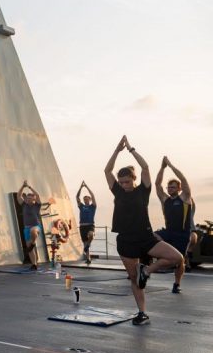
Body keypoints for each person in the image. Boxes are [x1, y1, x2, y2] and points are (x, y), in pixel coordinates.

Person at [104, 136, 182, 325]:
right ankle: (142, 313)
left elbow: (146, 167)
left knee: (177, 258)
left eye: (127, 182)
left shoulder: (143, 190)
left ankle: (146, 270)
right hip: (126, 240)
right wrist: (116, 150)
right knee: (134, 279)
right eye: (121, 182)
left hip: (145, 237)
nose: (124, 185)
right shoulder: (118, 192)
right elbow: (107, 170)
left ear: (134, 179)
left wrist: (130, 149)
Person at [154, 156, 195, 293]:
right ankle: (152, 260)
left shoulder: (185, 197)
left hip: (182, 234)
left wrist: (170, 165)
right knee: (151, 236)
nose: (170, 189)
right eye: (169, 187)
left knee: (179, 261)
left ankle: (176, 284)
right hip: (168, 231)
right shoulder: (165, 199)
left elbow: (183, 179)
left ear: (178, 188)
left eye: (173, 187)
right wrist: (162, 168)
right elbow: (157, 184)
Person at [17, 180, 42, 270]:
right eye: (27, 198)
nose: (28, 200)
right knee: (30, 248)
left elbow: (38, 195)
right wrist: (23, 186)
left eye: (30, 198)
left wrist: (29, 187)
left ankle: (33, 242)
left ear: (34, 199)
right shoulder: (24, 205)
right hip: (26, 228)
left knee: (33, 231)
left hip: (36, 226)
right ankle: (34, 264)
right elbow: (19, 196)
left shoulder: (37, 205)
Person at [76, 181, 97, 264]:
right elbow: (77, 197)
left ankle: (88, 244)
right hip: (82, 226)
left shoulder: (93, 206)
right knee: (85, 243)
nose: (85, 200)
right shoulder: (81, 206)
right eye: (84, 199)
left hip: (90, 225)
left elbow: (93, 195)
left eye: (87, 199)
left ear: (90, 200)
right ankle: (88, 259)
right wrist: (81, 187)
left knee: (91, 235)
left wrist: (86, 187)